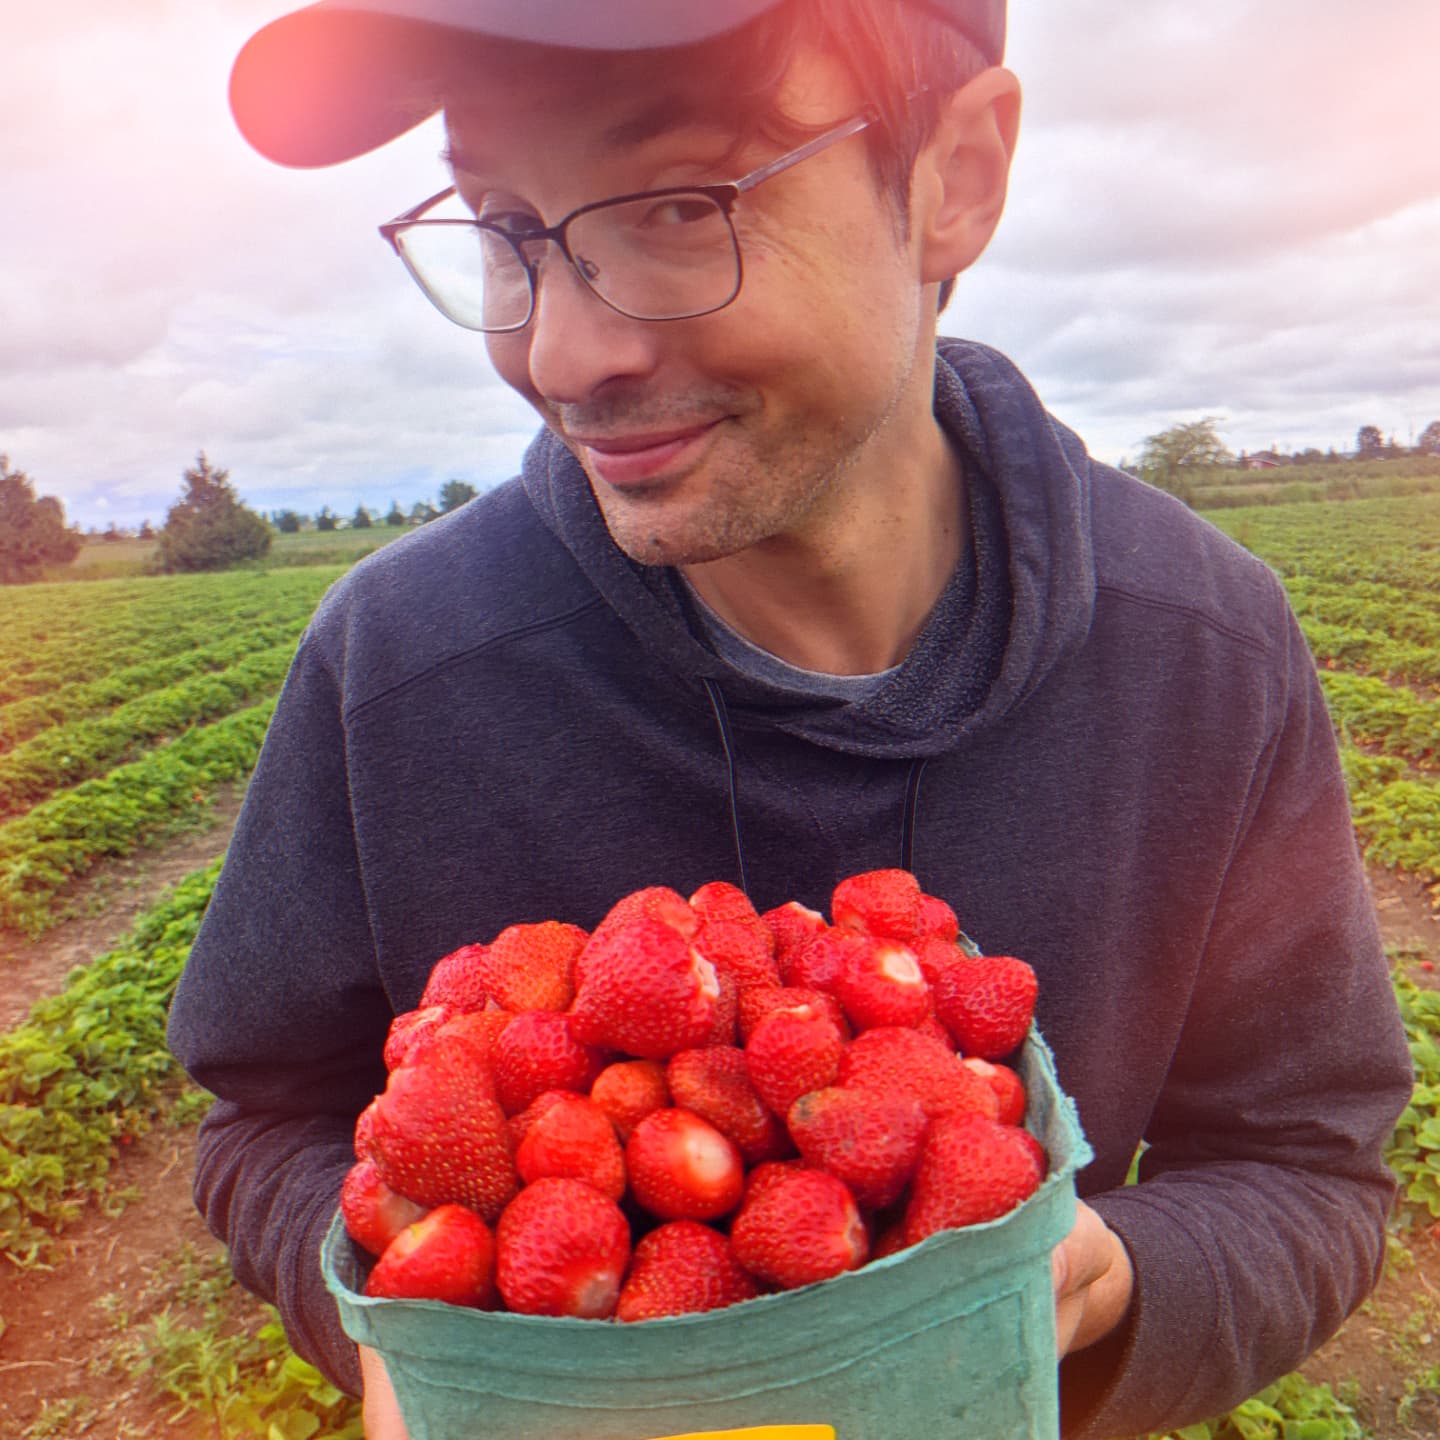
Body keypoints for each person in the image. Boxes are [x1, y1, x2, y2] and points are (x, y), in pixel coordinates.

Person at [166, 2, 1413, 1437]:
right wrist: (398, 1347)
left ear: (956, 180)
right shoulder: (395, 665)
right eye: (508, 227)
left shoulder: (1203, 648)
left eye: (686, 204)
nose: (566, 354)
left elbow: (1307, 1161)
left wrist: (1105, 1282)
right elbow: (265, 1118)